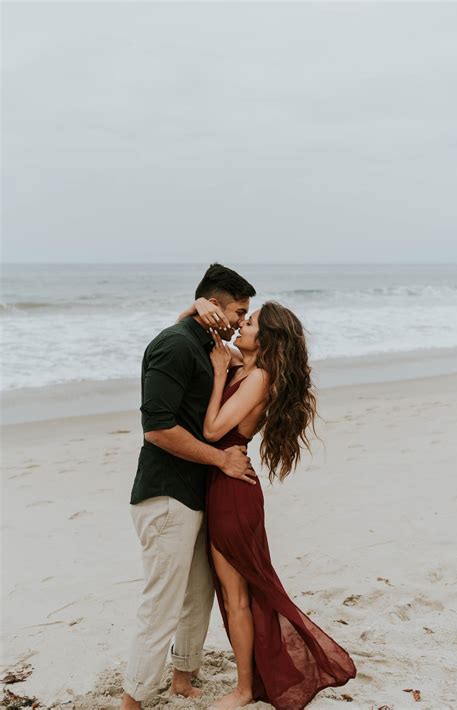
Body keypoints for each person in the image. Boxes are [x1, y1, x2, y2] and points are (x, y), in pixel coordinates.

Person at [195, 300, 357, 710]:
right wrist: (198, 306)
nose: (241, 325)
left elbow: (213, 429)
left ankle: (245, 689)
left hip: (232, 489)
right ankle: (253, 679)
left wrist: (217, 377)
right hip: (226, 482)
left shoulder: (259, 376)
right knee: (243, 593)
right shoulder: (244, 365)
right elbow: (204, 333)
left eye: (248, 322)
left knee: (237, 597)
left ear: (264, 339)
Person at [121, 264, 257, 710]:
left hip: (197, 492)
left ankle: (182, 679)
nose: (241, 321)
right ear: (215, 304)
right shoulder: (175, 345)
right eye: (239, 311)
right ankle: (133, 700)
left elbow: (249, 360)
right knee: (160, 605)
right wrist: (221, 459)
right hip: (165, 494)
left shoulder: (207, 342)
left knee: (198, 594)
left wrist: (193, 311)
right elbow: (158, 430)